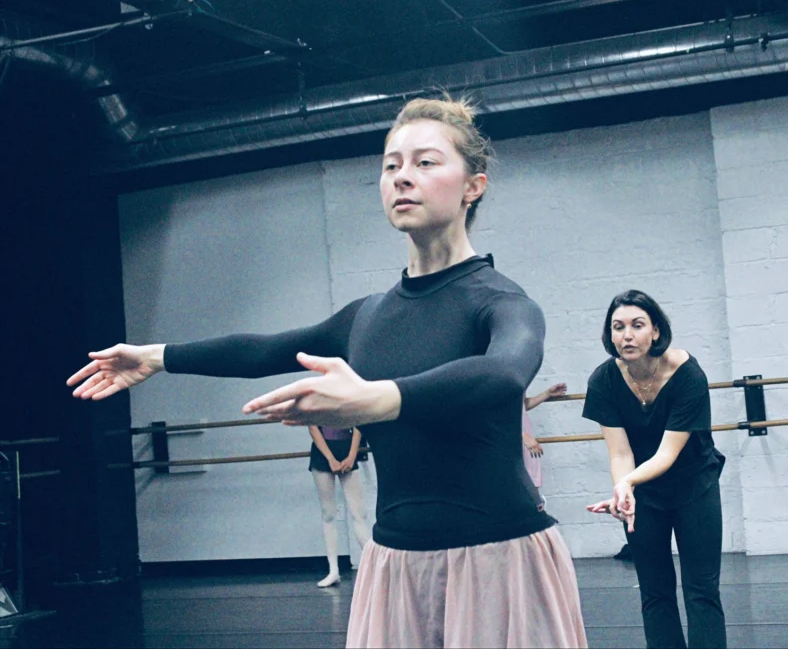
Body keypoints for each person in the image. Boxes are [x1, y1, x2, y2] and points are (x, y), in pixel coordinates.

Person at [67, 95, 588, 648]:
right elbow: (264, 350)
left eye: (426, 162)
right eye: (391, 165)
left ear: (472, 187)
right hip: (394, 568)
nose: (402, 178)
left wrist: (378, 400)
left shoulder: (502, 302)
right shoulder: (367, 315)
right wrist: (157, 356)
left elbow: (504, 373)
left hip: (498, 563)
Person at [583, 290, 727, 649]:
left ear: (656, 332)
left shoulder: (688, 375)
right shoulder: (602, 381)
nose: (626, 335)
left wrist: (628, 483)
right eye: (618, 327)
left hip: (695, 485)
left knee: (701, 591)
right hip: (645, 492)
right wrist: (624, 491)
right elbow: (619, 452)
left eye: (637, 325)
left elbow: (667, 453)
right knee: (655, 592)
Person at [308, 424, 370, 588]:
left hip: (347, 447)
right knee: (328, 513)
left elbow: (358, 424)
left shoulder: (348, 398)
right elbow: (313, 428)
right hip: (323, 452)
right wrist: (331, 459)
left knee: (359, 513)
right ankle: (333, 570)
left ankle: (373, 567)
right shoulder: (315, 399)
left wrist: (351, 455)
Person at [522, 382, 566, 509]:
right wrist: (522, 436)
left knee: (532, 494)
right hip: (512, 440)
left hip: (527, 442)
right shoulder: (497, 376)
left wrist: (547, 394)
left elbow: (520, 406)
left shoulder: (517, 374)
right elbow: (493, 411)